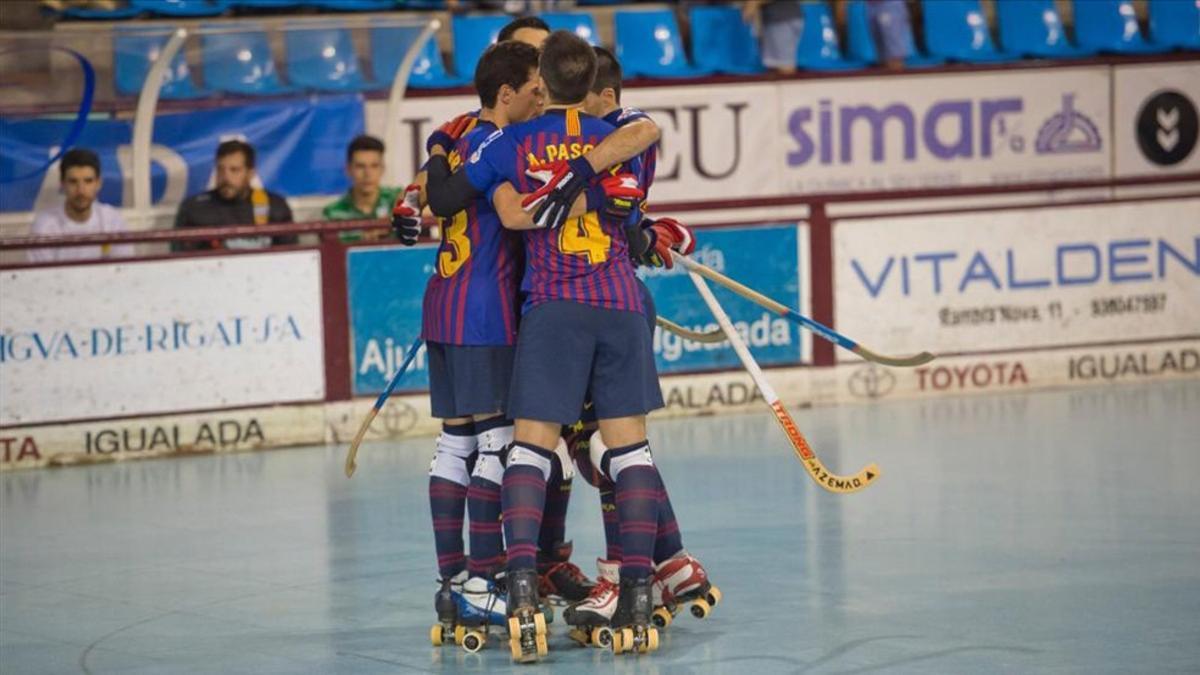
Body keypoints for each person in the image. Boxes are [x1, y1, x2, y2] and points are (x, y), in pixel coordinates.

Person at [463, 30, 690, 661]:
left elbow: (474, 195)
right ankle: (639, 590)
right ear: (590, 81)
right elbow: (644, 141)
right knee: (629, 450)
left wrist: (515, 191)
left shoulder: (511, 141)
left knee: (531, 449)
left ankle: (522, 590)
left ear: (542, 82)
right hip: (618, 303)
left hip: (554, 309)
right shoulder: (614, 136)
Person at [393, 39, 552, 647]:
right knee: (496, 445)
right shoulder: (503, 143)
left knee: (455, 443)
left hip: (444, 301)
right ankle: (484, 582)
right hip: (485, 308)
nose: (541, 95)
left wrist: (431, 154)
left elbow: (426, 191)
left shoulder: (456, 137)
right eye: (533, 87)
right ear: (505, 94)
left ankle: (452, 580)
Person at [173, 140, 295, 252]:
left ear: (250, 173)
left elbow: (292, 257)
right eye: (220, 169)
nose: (226, 177)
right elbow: (180, 261)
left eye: (234, 170)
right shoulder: (194, 209)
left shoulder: (275, 206)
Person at [28, 148, 133, 263]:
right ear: (62, 184)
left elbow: (124, 272)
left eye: (88, 181)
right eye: (73, 182)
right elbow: (40, 278)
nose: (81, 191)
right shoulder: (44, 227)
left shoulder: (113, 221)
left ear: (99, 183)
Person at [321, 135, 401, 242]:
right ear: (348, 170)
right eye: (360, 166)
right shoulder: (333, 212)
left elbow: (427, 209)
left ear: (382, 169)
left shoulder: (397, 198)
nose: (368, 174)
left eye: (374, 166)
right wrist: (364, 237)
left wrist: (391, 221)